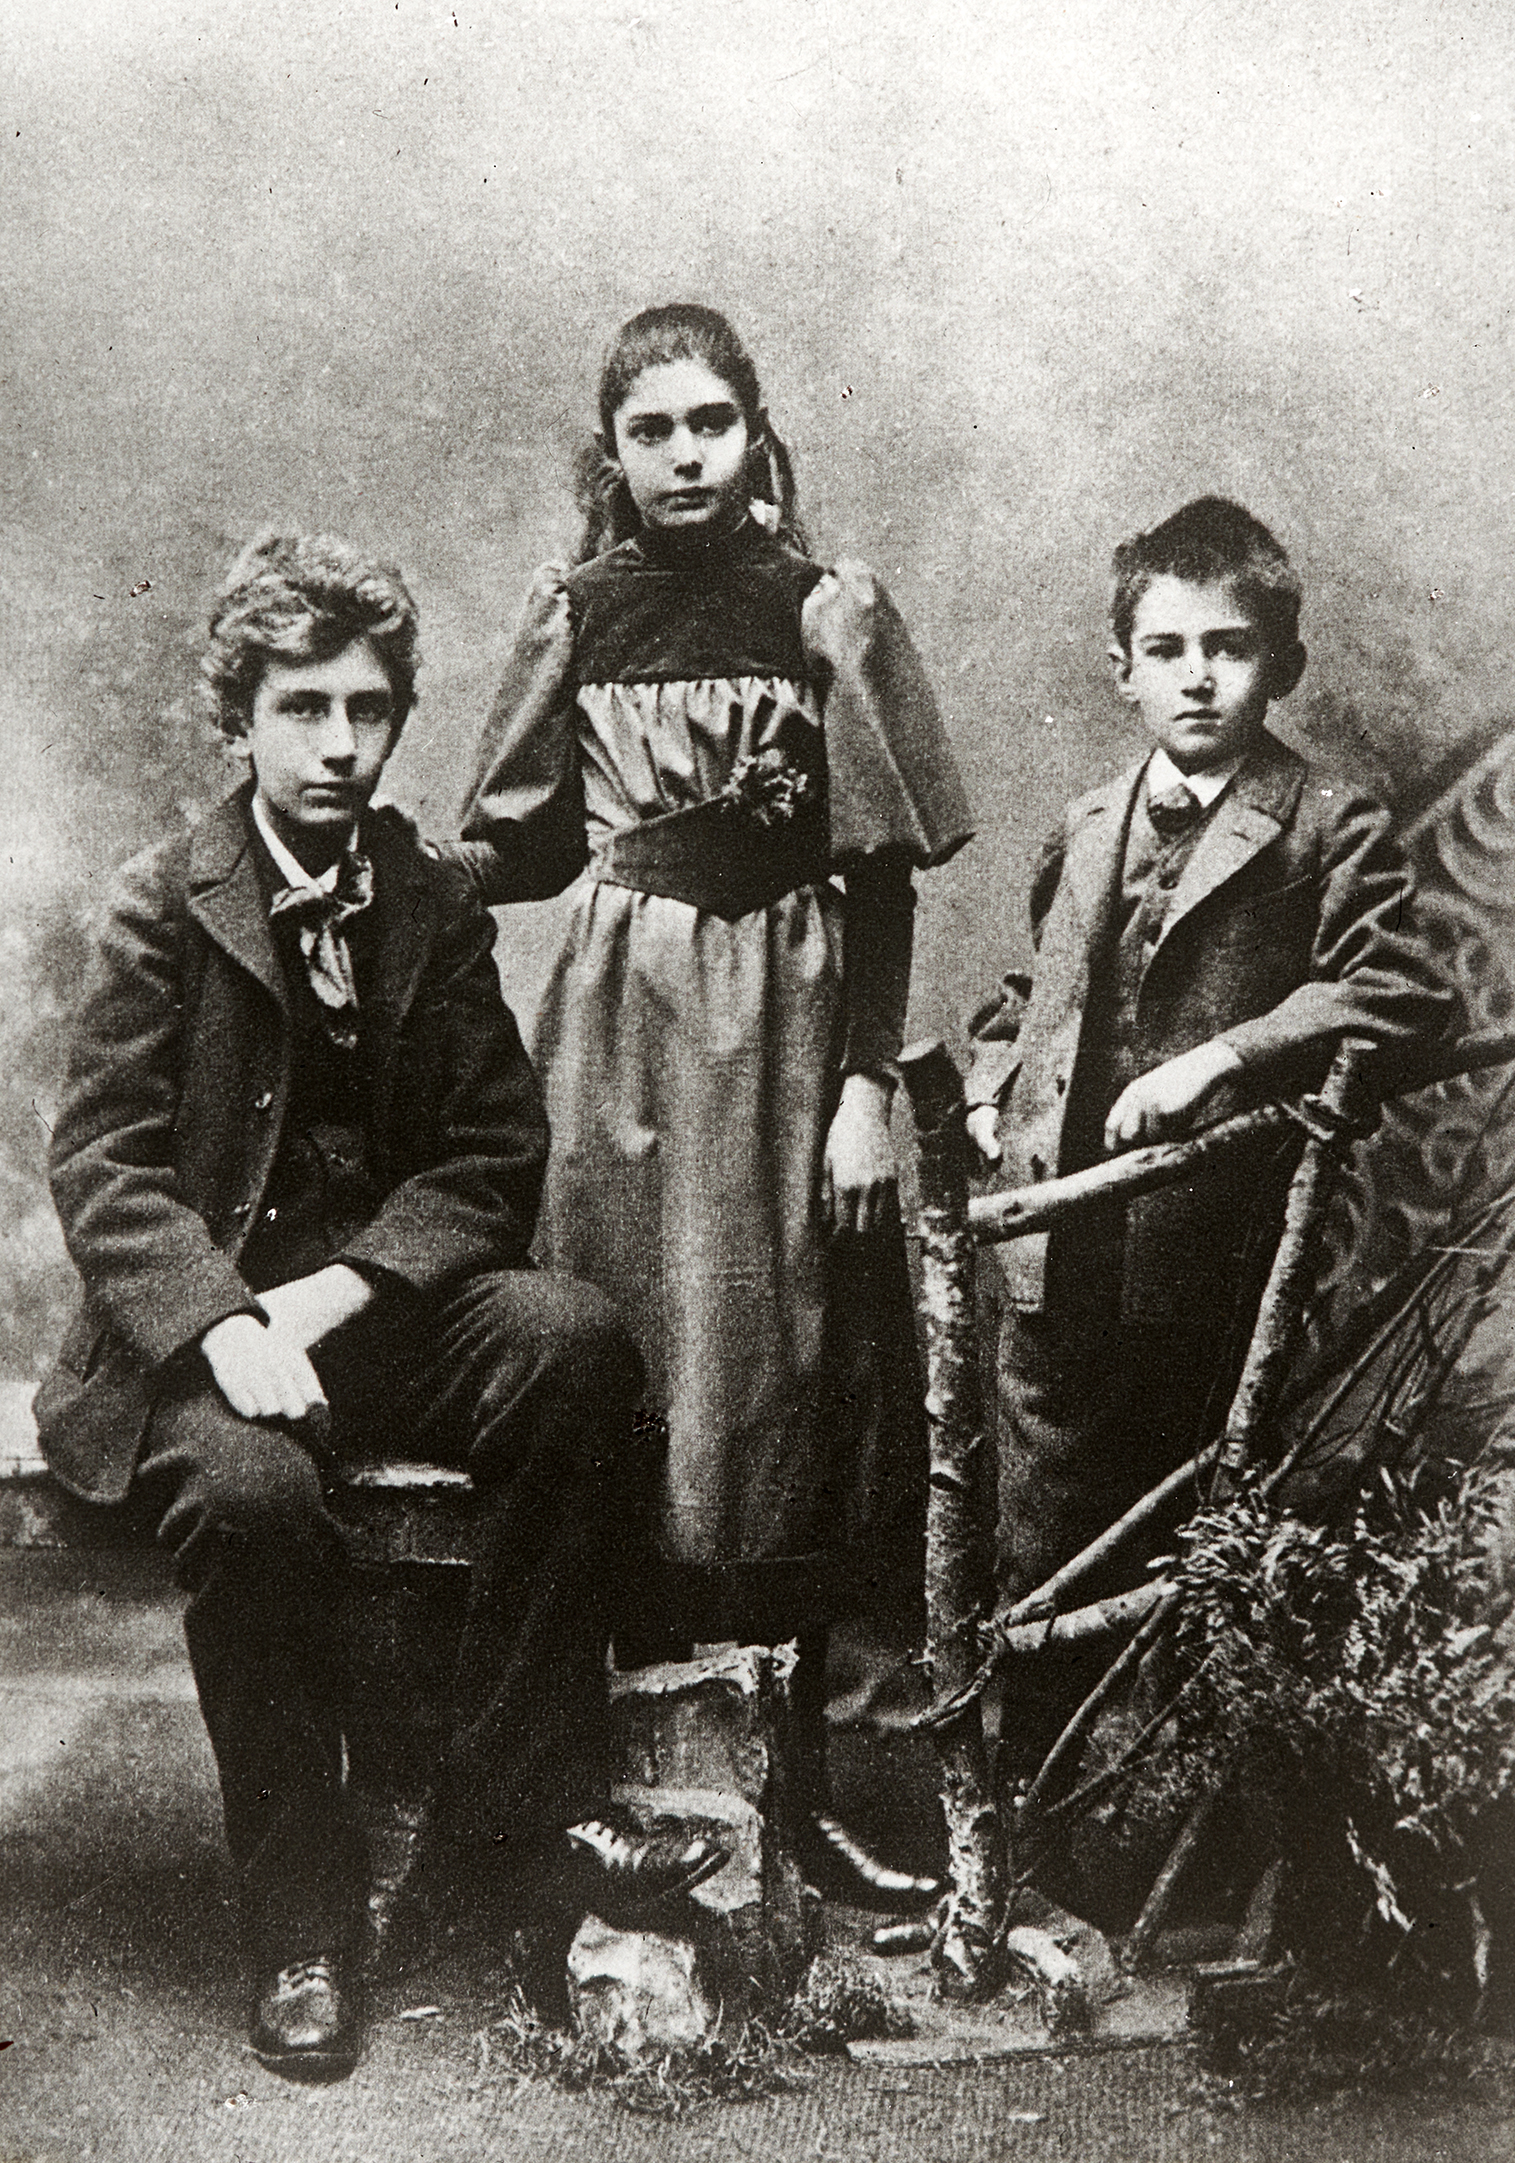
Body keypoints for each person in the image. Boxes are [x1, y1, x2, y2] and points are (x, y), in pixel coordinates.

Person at [33, 534, 726, 2081]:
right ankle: (301, 1921)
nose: (339, 743)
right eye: (302, 708)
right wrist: (227, 1322)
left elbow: (491, 1149)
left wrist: (336, 1295)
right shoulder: (164, 901)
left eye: (367, 708)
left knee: (572, 1345)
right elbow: (103, 1160)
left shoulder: (426, 896)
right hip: (198, 1338)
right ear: (238, 718)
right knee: (252, 1496)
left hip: (372, 1316)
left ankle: (524, 1804)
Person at [450, 303, 972, 1883]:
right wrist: (418, 873)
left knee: (788, 1373)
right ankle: (611, 1785)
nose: (683, 455)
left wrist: (866, 1084)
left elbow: (879, 872)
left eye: (709, 423)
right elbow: (523, 843)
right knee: (628, 1348)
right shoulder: (579, 611)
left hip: (793, 1028)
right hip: (619, 1025)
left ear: (754, 432)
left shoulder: (822, 608)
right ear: (609, 454)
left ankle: (793, 1789)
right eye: (650, 431)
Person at [965, 496, 1452, 1775]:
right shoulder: (1086, 824)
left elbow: (1403, 987)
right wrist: (990, 1085)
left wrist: (1224, 1058)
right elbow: (1025, 997)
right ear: (1120, 667)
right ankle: (1027, 1812)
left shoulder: (1326, 822)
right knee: (1038, 1543)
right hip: (1053, 1249)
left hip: (1198, 1259)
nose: (1197, 677)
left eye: (1229, 648)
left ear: (1280, 663)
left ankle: (1173, 1804)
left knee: (1187, 1532)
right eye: (1167, 649)